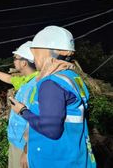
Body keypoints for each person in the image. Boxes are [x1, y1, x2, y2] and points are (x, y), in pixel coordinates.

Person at [9, 26, 96, 168]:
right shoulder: (72, 76)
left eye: (35, 52)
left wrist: (22, 111)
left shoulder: (51, 83)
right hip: (74, 156)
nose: (34, 58)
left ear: (47, 52)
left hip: (55, 159)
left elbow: (51, 130)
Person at [0, 41, 38, 168]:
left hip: (25, 145)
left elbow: (38, 119)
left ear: (24, 62)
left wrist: (27, 150)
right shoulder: (25, 81)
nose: (13, 61)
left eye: (15, 58)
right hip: (17, 141)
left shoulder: (37, 85)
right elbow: (8, 79)